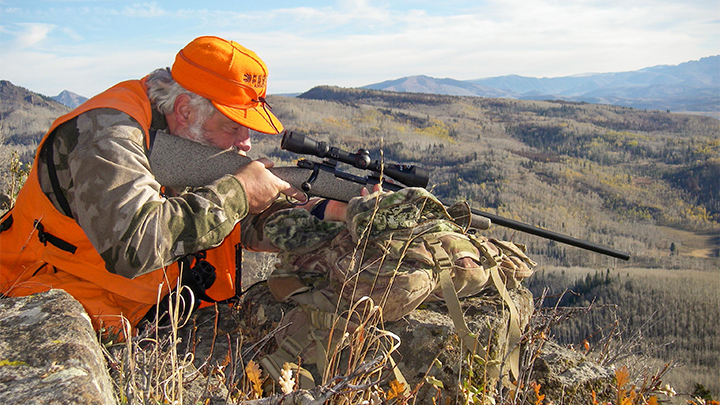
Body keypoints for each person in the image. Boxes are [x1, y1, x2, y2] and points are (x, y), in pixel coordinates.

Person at [0, 36, 347, 335]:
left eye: (249, 129)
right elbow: (136, 246)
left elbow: (237, 223)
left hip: (158, 313)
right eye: (232, 127)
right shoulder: (106, 134)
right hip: (58, 317)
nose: (246, 143)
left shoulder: (185, 138)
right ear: (184, 110)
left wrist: (334, 213)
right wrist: (239, 193)